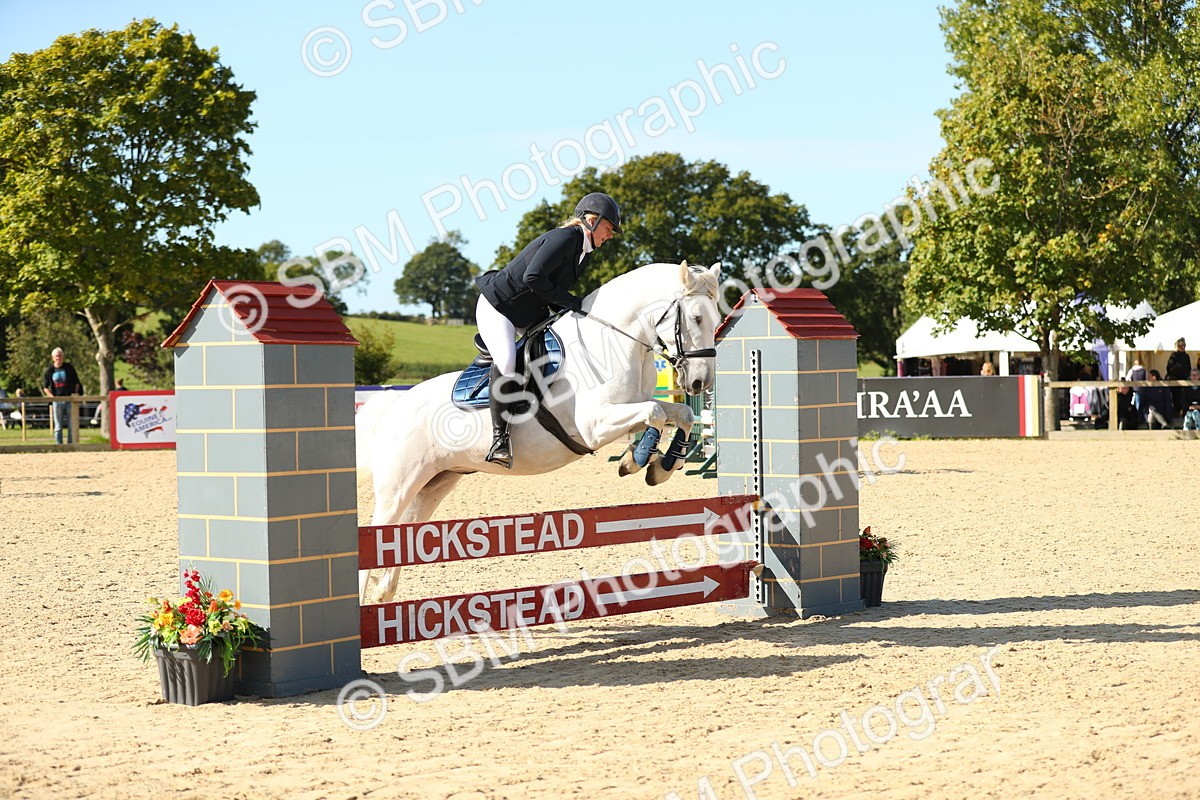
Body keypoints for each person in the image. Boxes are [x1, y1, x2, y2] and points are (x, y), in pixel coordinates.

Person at [473, 192, 622, 468]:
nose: (610, 234)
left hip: (529, 310)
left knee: (557, 346)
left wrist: (568, 309)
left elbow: (549, 288)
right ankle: (499, 439)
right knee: (506, 360)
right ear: (592, 220)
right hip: (500, 305)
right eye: (608, 227)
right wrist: (570, 303)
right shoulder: (564, 238)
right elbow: (533, 277)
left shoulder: (583, 252)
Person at [42, 347, 83, 444]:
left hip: (69, 399)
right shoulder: (49, 370)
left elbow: (77, 382)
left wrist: (75, 394)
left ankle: (71, 444)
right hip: (57, 400)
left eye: (60, 356)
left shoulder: (68, 368)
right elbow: (45, 387)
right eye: (56, 356)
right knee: (58, 426)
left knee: (71, 425)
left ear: (63, 357)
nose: (58, 358)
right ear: (53, 358)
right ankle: (59, 446)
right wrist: (52, 398)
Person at [1165, 337, 1191, 415]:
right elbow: (1169, 368)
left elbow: (1188, 368)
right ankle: (1176, 413)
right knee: (1176, 398)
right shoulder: (1174, 355)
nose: (1183, 347)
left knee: (1185, 398)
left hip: (1184, 381)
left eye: (1184, 345)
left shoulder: (1186, 356)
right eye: (1181, 345)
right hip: (1175, 381)